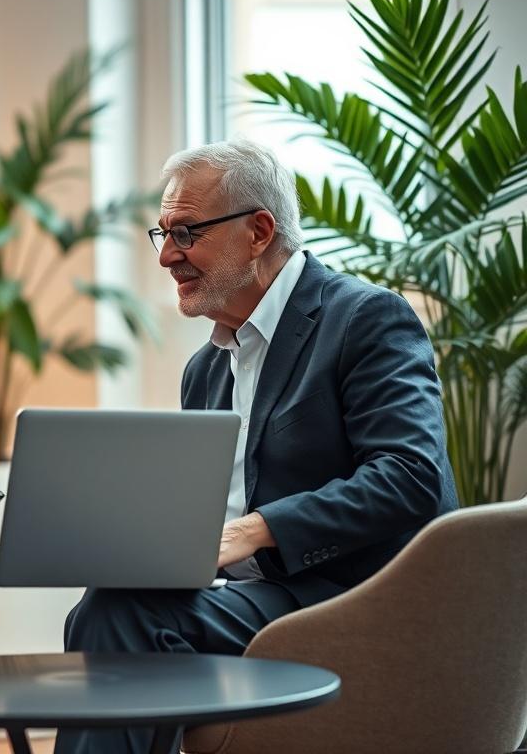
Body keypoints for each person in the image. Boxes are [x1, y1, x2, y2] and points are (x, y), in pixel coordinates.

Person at [54, 140, 458, 754]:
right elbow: (209, 510)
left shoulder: (365, 319)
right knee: (111, 602)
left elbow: (411, 475)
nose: (167, 256)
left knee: (123, 617)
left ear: (259, 231)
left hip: (354, 599)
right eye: (161, 234)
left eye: (185, 233)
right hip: (251, 595)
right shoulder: (206, 368)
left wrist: (253, 531)